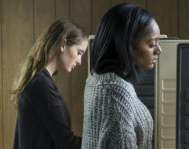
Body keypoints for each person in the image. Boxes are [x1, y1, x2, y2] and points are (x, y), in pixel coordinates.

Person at [81, 3, 162, 149]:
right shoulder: (115, 91)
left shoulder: (96, 79)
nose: (159, 50)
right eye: (151, 44)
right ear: (127, 45)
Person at [11, 19, 88, 149]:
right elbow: (67, 143)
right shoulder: (40, 84)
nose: (79, 61)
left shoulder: (40, 81)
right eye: (79, 53)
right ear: (63, 44)